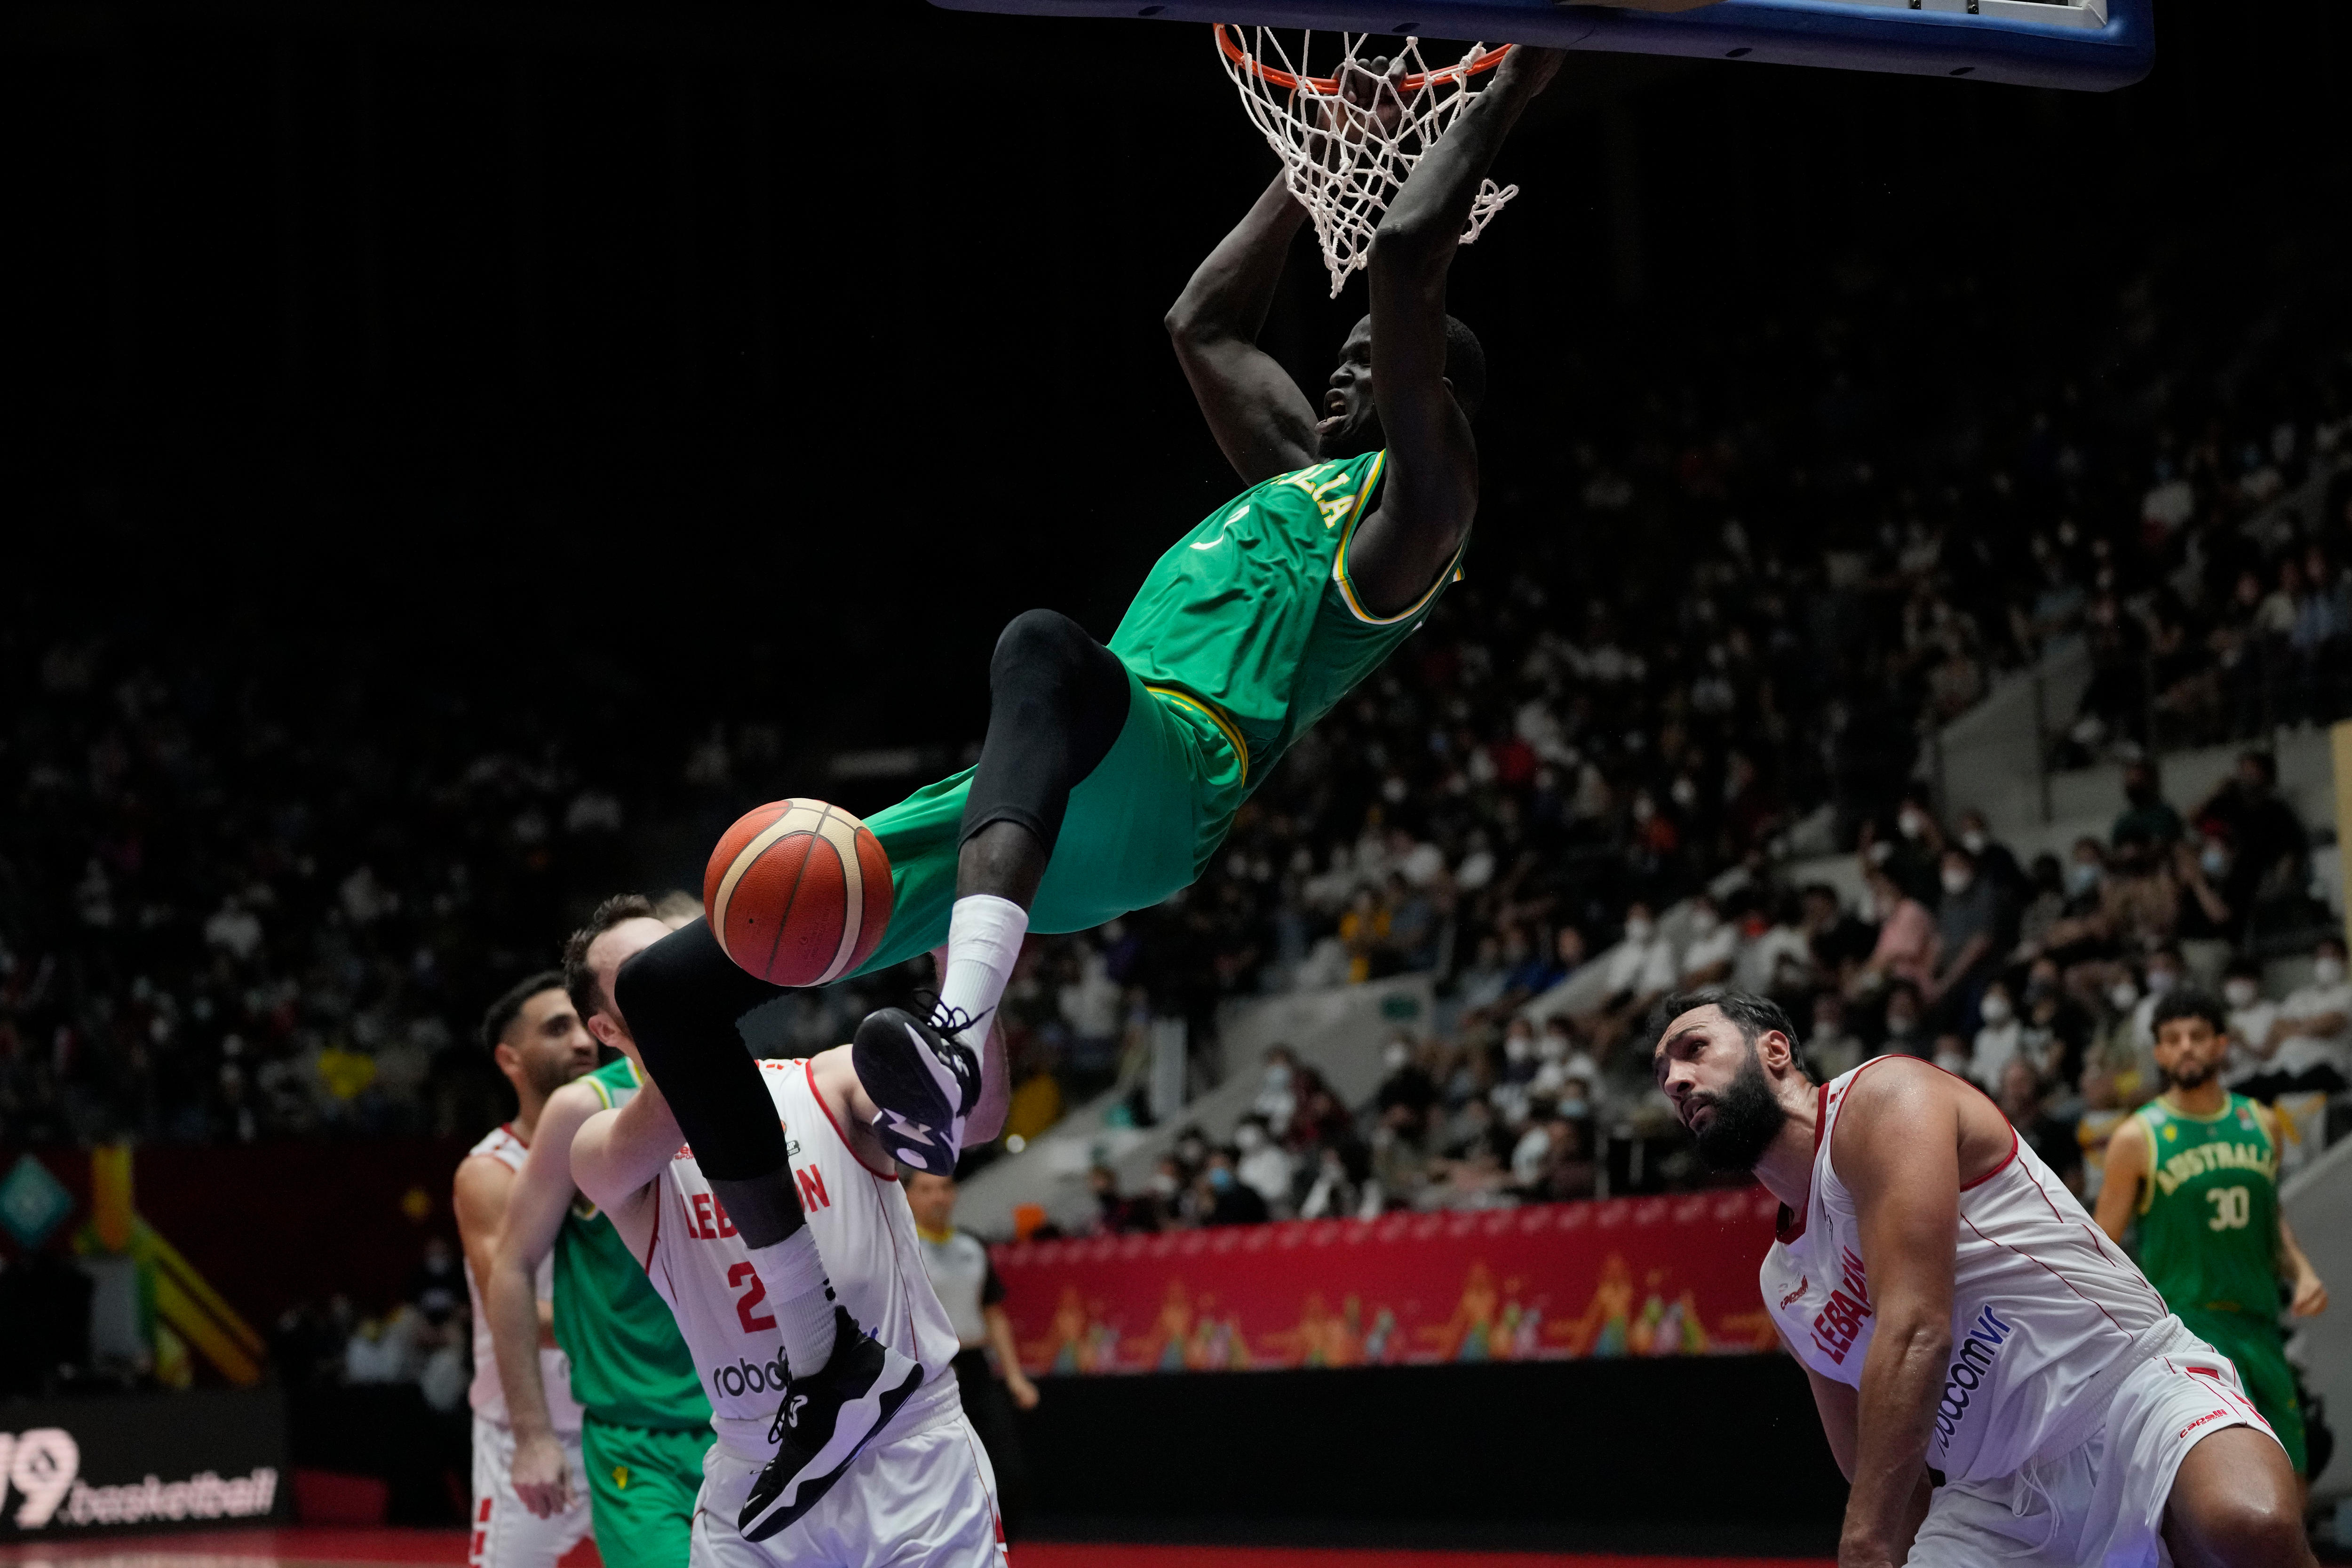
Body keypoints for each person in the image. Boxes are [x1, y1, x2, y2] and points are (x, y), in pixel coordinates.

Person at [608, 44, 1571, 1500]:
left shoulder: (1412, 519)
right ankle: (821, 1345)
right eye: (1351, 355)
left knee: (1043, 643)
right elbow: (1197, 317)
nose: (1354, 359)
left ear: (1443, 401)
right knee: (671, 990)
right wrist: (1317, 154)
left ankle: (947, 1032)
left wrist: (1517, 75)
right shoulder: (1290, 480)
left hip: (1166, 772)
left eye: (1387, 359)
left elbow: (1403, 256)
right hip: (1056, 789)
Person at [1649, 987, 2313, 1568]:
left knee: (2247, 1525)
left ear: (1775, 1050)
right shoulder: (1781, 1281)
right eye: (1663, 1073)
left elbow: (1916, 1330)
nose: (1676, 1079)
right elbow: (1877, 1469)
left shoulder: (1883, 1099)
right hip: (1995, 1498)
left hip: (2126, 1392)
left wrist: (1865, 1550)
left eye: (1694, 1048)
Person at [568, 1055, 1007, 1565]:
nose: (648, 974)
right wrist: (681, 1021)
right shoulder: (604, 1140)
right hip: (757, 1457)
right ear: (603, 1026)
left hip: (904, 1444)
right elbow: (679, 1077)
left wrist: (966, 982)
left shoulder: (827, 1079)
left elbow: (976, 1121)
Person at [485, 899, 715, 1568]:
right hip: (641, 1440)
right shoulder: (586, 1109)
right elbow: (511, 1266)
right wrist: (532, 1434)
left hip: (760, 1427)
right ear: (607, 1025)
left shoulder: (771, 1086)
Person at [2093, 987, 2328, 1497]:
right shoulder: (2138, 1136)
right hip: (2188, 1331)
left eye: (2197, 1037)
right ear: (2157, 1052)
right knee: (2219, 1488)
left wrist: (2302, 1269)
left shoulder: (2261, 1123)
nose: (2185, 1048)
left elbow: (2272, 1220)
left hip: (2259, 1322)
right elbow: (2100, 1249)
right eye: (2171, 1039)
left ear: (2221, 1045)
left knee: (2294, 1475)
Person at [453, 972, 601, 1568]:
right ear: (509, 1059)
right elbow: (509, 1311)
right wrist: (633, 1328)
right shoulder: (489, 1172)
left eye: (584, 1025)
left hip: (632, 1421)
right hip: (534, 1434)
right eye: (556, 1029)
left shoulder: (625, 1147)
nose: (583, 1042)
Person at [905, 1170, 1039, 1542]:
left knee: (1008, 1474)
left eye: (945, 1187)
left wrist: (1014, 1377)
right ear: (909, 1196)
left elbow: (994, 1314)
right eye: (926, 1189)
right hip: (926, 1376)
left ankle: (1001, 1553)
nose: (938, 1197)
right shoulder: (900, 1248)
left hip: (977, 1369)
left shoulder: (972, 1246)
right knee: (938, 1480)